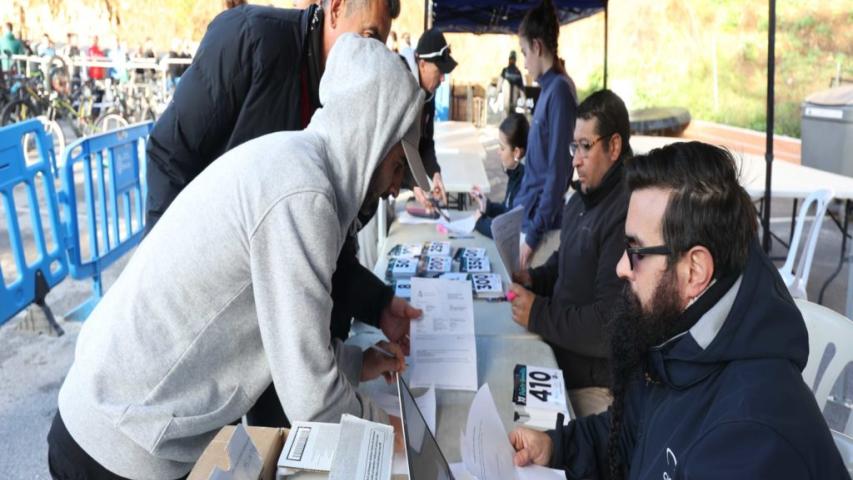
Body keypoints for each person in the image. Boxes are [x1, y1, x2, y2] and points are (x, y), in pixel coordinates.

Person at [48, 34, 424, 480]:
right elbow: (311, 398)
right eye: (398, 166)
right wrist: (388, 431)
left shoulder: (294, 163)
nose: (396, 188)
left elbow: (286, 340)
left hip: (122, 421)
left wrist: (358, 364)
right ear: (372, 139)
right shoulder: (303, 195)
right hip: (116, 442)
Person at [144, 0, 415, 429]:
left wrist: (376, 303)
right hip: (194, 336)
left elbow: (317, 251)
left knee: (271, 437)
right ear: (335, 9)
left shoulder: (339, 133)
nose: (374, 52)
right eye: (369, 35)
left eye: (382, 41)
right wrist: (172, 298)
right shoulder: (250, 40)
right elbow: (169, 154)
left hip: (267, 337)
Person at [509, 141, 848, 479]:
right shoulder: (676, 333)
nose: (621, 267)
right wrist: (556, 447)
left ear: (694, 271)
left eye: (636, 250)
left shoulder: (750, 440)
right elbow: (628, 437)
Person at [508, 90, 630, 417]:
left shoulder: (625, 215)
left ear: (614, 146)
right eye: (574, 147)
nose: (575, 160)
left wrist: (538, 313)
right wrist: (533, 279)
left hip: (592, 386)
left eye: (585, 146)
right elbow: (565, 262)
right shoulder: (580, 200)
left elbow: (607, 325)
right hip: (557, 355)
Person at [514, 0, 577, 270]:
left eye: (525, 52)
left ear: (537, 47)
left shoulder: (560, 91)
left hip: (541, 230)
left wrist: (533, 234)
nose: (524, 63)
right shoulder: (548, 89)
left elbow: (558, 172)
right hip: (529, 217)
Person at [399, 27, 457, 212]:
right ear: (422, 64)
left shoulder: (428, 92)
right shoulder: (399, 84)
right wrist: (412, 181)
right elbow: (391, 146)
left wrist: (435, 173)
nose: (443, 79)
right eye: (440, 71)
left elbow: (425, 142)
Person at [470, 112, 528, 238]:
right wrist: (487, 205)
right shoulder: (516, 173)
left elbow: (506, 230)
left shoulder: (524, 183)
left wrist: (479, 222)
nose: (498, 152)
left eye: (502, 148)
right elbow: (507, 210)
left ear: (516, 152)